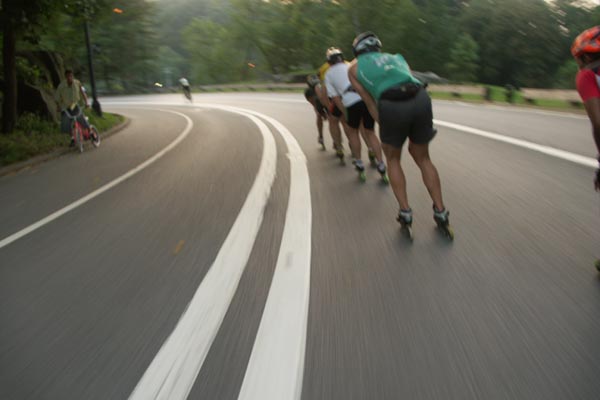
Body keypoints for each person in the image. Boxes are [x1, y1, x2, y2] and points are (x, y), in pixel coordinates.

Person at [348, 32, 451, 233]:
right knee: (423, 158)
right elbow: (408, 79)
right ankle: (441, 212)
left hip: (391, 104)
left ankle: (405, 213)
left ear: (357, 51)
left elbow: (369, 101)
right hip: (420, 97)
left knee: (393, 159)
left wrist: (383, 123)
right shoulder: (397, 57)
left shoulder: (353, 69)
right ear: (377, 47)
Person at [323, 47, 387, 182]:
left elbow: (335, 98)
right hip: (366, 98)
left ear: (329, 62)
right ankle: (381, 164)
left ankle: (359, 162)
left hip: (350, 101)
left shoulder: (328, 74)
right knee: (370, 132)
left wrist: (346, 113)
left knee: (353, 132)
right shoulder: (351, 65)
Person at [571, 26, 600, 269]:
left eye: (579, 58)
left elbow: (598, 122)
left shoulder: (587, 76)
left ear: (588, 56)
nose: (578, 64)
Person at [55, 69, 98, 145]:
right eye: (68, 76)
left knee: (81, 118)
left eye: (71, 76)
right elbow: (57, 98)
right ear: (65, 77)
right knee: (66, 123)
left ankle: (91, 132)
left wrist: (86, 102)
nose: (69, 78)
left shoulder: (77, 83)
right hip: (66, 107)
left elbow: (83, 93)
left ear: (73, 76)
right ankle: (72, 138)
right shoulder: (61, 86)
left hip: (74, 105)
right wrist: (58, 107)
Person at [304, 74, 330, 149]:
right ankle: (337, 142)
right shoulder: (323, 85)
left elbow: (314, 105)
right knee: (333, 120)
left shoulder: (308, 91)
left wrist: (321, 114)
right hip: (326, 99)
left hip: (317, 102)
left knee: (319, 116)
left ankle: (321, 136)